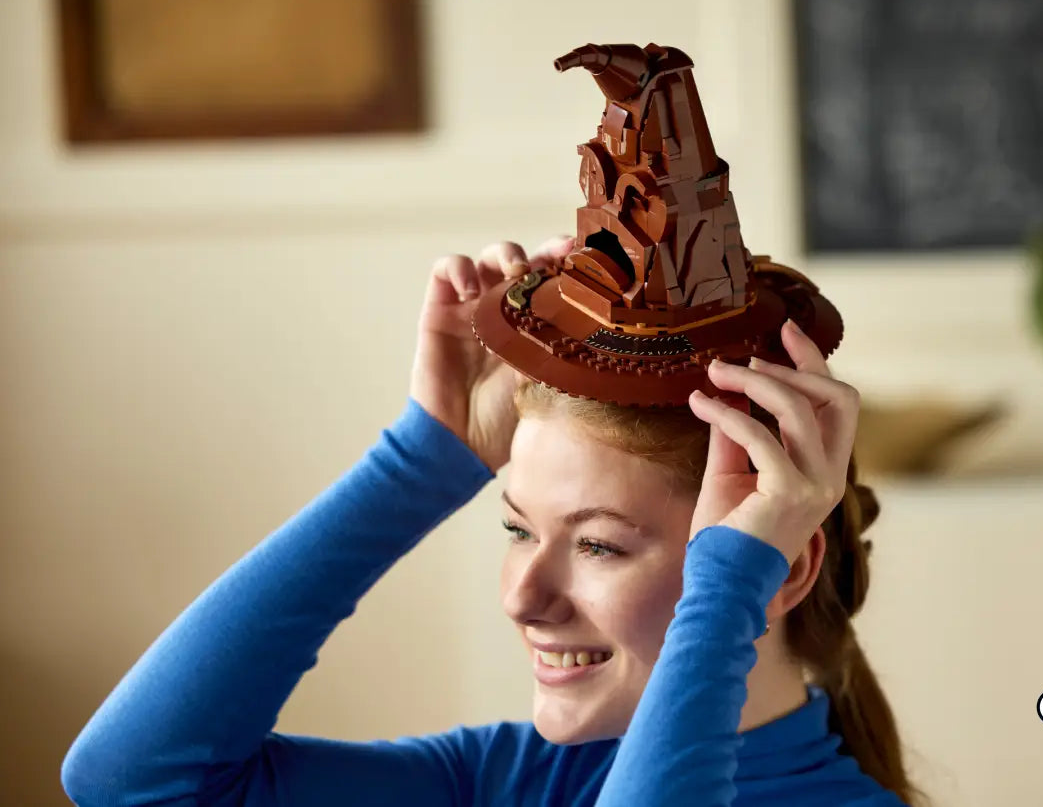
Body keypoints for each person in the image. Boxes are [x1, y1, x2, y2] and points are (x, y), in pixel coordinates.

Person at [62, 43, 924, 806]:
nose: (521, 597)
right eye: (518, 529)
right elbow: (134, 781)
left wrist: (730, 589)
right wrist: (421, 462)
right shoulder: (503, 781)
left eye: (599, 545)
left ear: (780, 569)